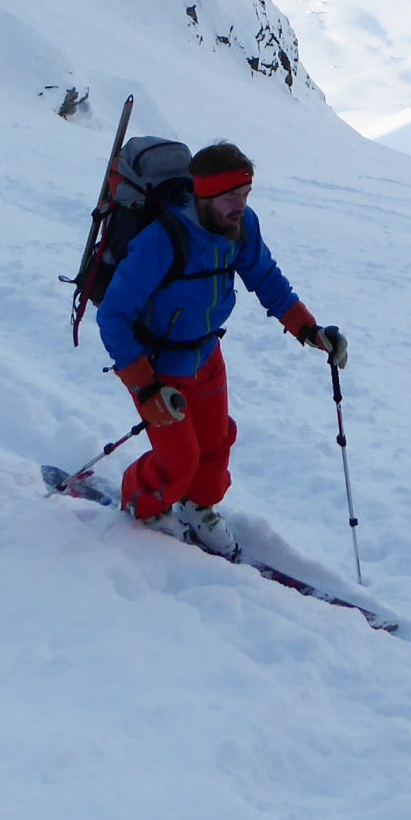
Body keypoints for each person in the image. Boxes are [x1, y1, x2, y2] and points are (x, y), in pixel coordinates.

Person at [94, 141, 345, 559]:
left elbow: (265, 277)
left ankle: (199, 508)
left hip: (207, 354)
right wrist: (145, 388)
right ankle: (142, 502)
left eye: (245, 195)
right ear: (205, 195)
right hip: (158, 365)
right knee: (180, 461)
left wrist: (309, 330)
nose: (240, 206)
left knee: (216, 444)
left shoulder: (242, 227)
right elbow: (114, 316)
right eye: (232, 197)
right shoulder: (162, 240)